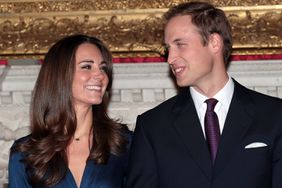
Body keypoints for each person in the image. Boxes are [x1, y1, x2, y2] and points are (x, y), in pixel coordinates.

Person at [126, 1, 282, 188]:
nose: (170, 58)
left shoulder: (274, 116)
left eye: (180, 45)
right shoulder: (152, 127)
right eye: (168, 49)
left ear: (214, 42)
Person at [9, 34, 131, 188]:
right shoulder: (24, 153)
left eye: (103, 68)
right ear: (60, 75)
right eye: (87, 66)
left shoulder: (123, 143)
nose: (100, 75)